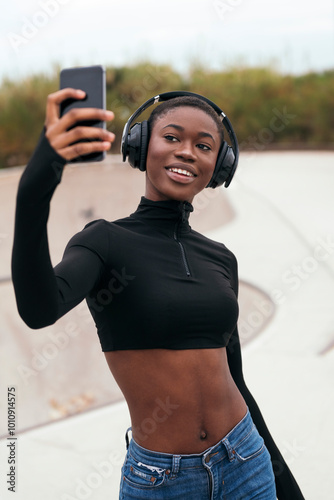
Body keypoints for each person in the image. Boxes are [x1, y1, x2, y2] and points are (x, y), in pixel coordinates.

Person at [11, 87, 305, 499]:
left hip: (245, 461)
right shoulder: (104, 241)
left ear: (218, 166)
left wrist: (283, 481)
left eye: (204, 146)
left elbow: (235, 378)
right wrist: (39, 179)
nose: (187, 152)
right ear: (140, 144)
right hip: (162, 480)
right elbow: (39, 309)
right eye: (171, 137)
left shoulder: (221, 258)